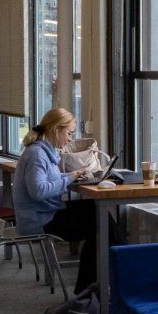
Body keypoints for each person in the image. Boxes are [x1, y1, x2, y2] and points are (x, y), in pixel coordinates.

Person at [12, 108, 98, 292]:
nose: (70, 139)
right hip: (39, 220)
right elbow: (38, 190)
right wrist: (69, 178)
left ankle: (95, 284)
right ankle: (91, 286)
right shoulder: (37, 155)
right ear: (55, 130)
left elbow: (47, 179)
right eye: (69, 133)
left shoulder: (42, 151)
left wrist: (71, 176)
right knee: (100, 226)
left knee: (96, 212)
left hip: (45, 213)